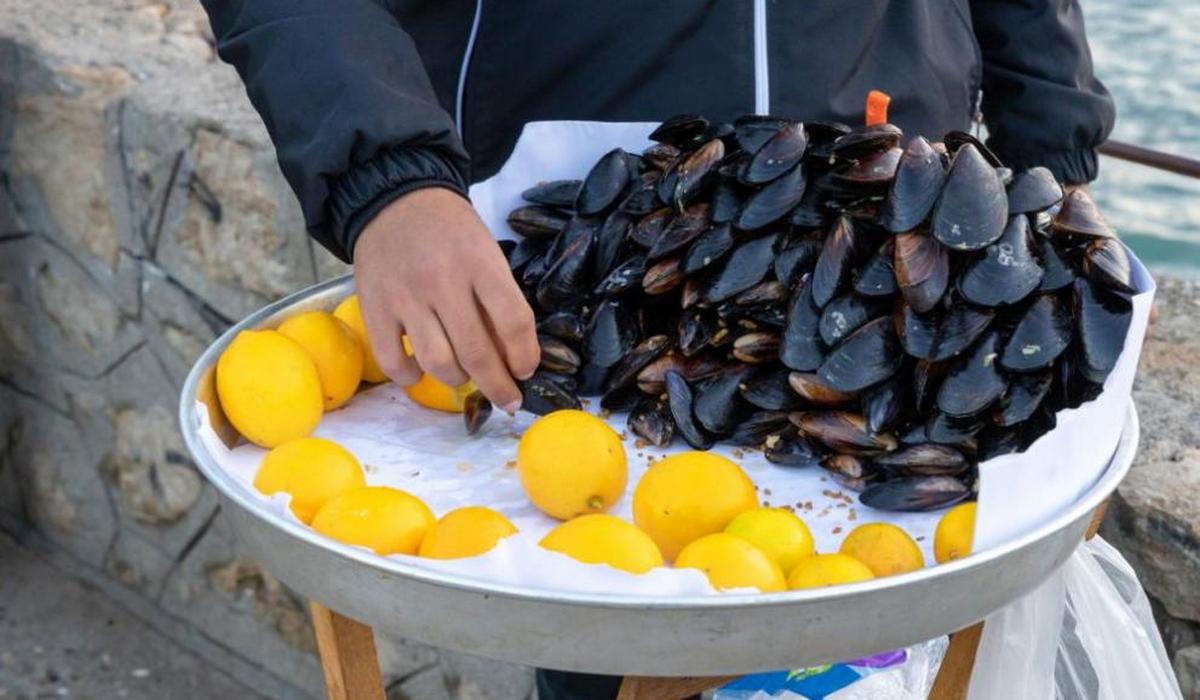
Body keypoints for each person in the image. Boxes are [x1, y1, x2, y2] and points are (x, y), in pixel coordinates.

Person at [200, 2, 1114, 698]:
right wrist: (387, 179)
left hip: (885, 272)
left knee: (880, 660)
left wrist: (1055, 168)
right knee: (605, 646)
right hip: (577, 260)